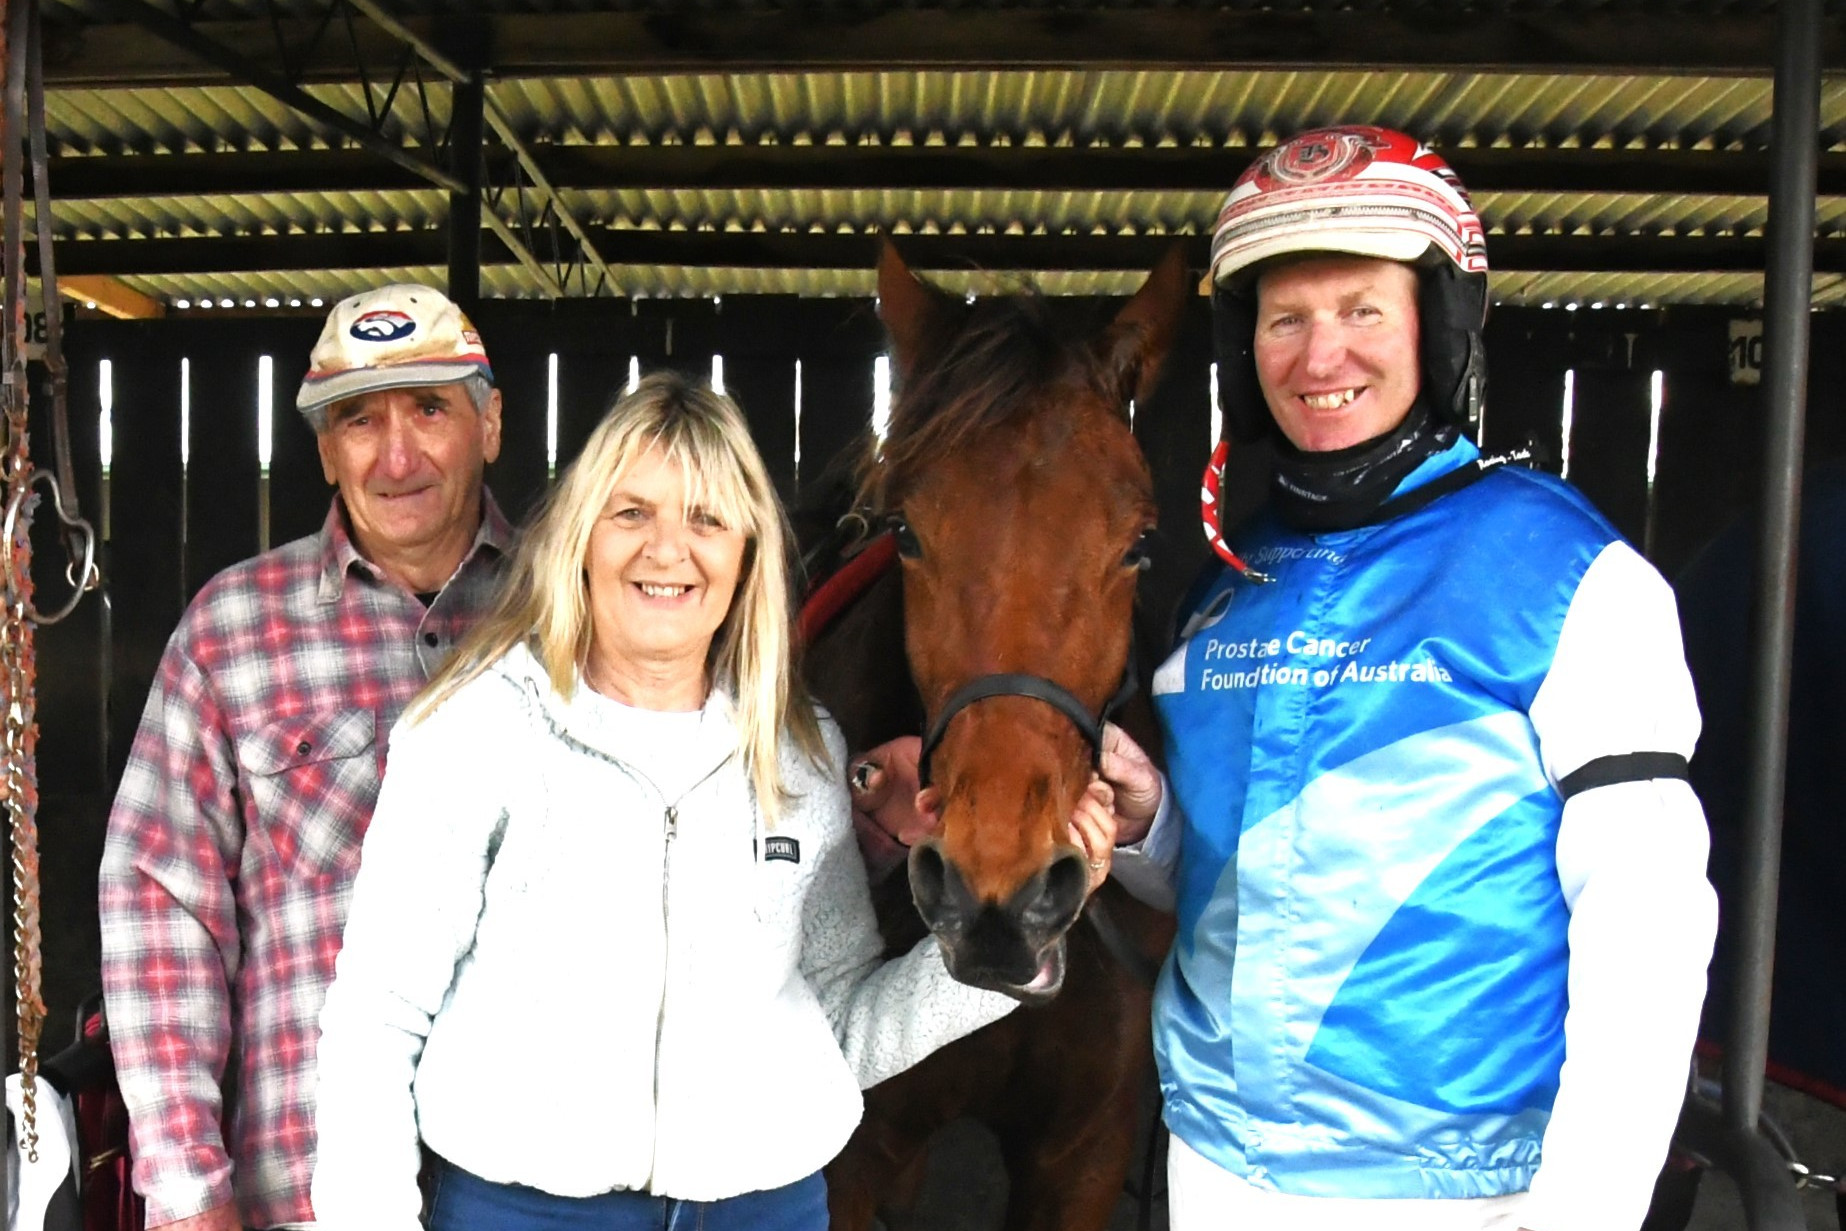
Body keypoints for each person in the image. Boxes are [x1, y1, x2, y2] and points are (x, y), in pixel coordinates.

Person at [310, 373, 1109, 1231]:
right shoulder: (477, 731)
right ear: (581, 537)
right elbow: (377, 1017)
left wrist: (1014, 941)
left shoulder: (800, 756)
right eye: (632, 513)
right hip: (528, 1212)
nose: (667, 549)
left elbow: (837, 1023)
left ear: (746, 555)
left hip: (767, 1209)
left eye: (706, 518)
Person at [1098, 126, 1718, 1231]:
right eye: (1286, 319)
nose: (1318, 356)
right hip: (1217, 1167)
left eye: (1360, 311)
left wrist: (1584, 1212)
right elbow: (1230, 884)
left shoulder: (1570, 577)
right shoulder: (1224, 592)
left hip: (1471, 1193)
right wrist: (1149, 833)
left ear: (1437, 326)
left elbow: (1650, 922)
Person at [98, 284, 514, 1231]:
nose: (396, 453)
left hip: (541, 1186)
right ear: (326, 451)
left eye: (430, 408)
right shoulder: (233, 629)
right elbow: (160, 908)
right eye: (359, 421)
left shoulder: (574, 617)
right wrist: (188, 1188)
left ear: (490, 425)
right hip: (310, 1186)